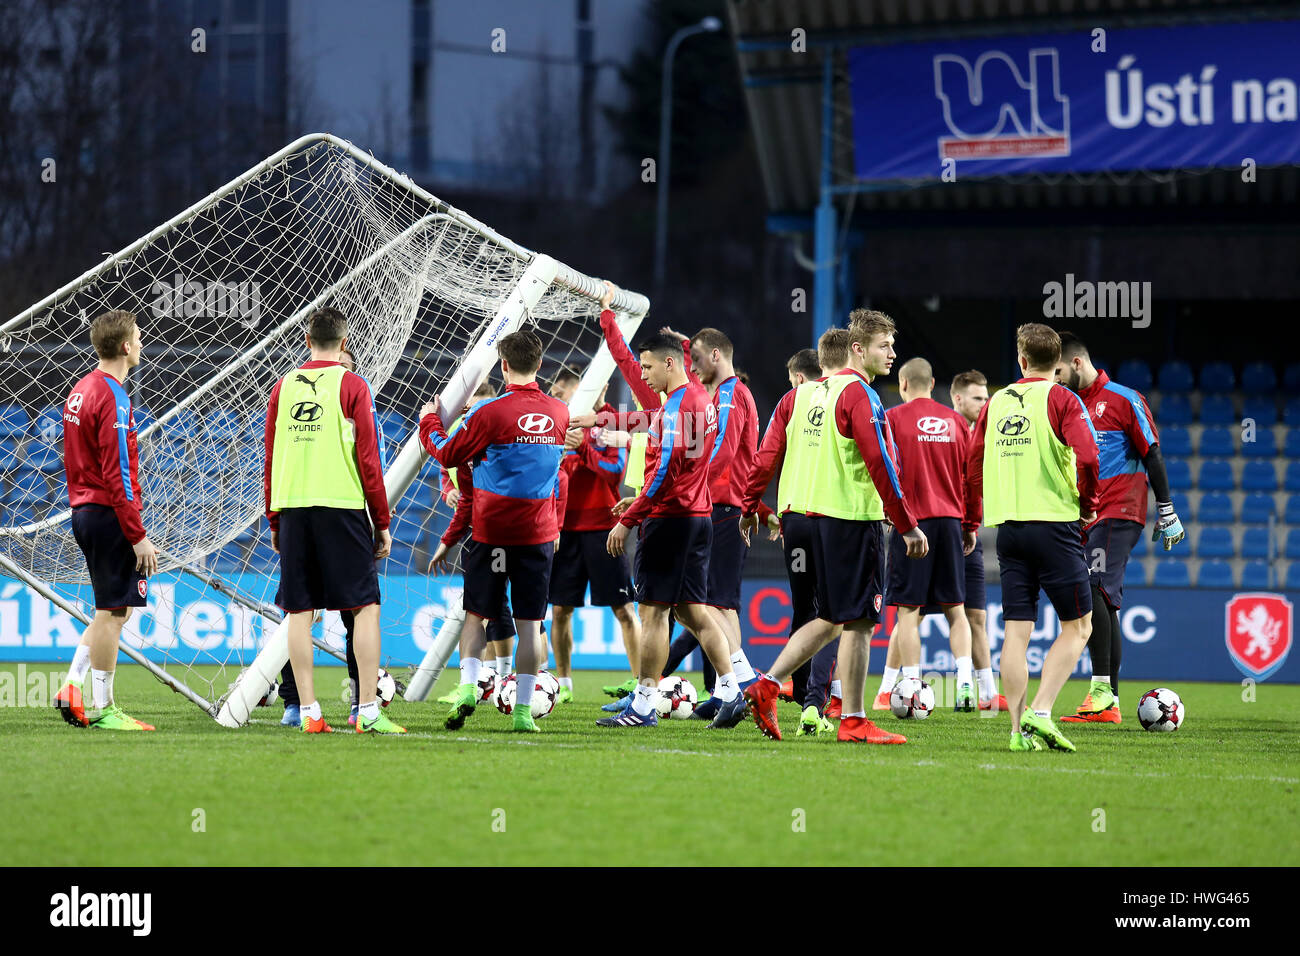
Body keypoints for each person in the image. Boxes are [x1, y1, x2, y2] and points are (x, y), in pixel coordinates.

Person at [742, 311, 928, 743]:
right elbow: (880, 461)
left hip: (801, 518)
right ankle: (855, 720)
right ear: (858, 349)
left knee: (828, 618)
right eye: (885, 346)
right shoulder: (860, 394)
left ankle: (767, 685)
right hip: (848, 519)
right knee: (860, 620)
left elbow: (766, 454)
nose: (892, 354)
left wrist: (751, 503)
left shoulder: (799, 396)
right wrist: (906, 524)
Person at [592, 282, 746, 729]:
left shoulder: (678, 407)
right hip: (697, 515)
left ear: (671, 363)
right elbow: (677, 467)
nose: (644, 376)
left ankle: (643, 704)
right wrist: (609, 321)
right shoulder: (701, 398)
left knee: (654, 612)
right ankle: (735, 689)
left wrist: (632, 518)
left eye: (649, 368)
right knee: (692, 611)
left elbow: (663, 472)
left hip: (672, 518)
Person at [420, 328, 569, 733]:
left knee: (476, 616)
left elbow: (448, 453)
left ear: (503, 365)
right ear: (539, 365)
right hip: (537, 536)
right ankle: (522, 713)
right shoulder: (560, 412)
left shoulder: (489, 413)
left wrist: (430, 421)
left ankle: (469, 688)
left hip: (491, 534)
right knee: (529, 627)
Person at [265, 308, 402, 734]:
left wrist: (274, 519)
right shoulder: (353, 384)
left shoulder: (282, 386)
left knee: (299, 611)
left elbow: (269, 457)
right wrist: (381, 520)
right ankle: (367, 712)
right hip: (341, 506)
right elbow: (369, 458)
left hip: (293, 509)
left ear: (307, 341)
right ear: (344, 344)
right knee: (364, 607)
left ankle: (308, 712)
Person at [964, 323, 1099, 752]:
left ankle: (1017, 732)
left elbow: (972, 463)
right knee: (1079, 626)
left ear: (1021, 361)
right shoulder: (1062, 398)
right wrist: (1088, 502)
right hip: (1055, 526)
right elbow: (1091, 456)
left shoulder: (997, 402)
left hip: (1008, 531)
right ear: (1057, 364)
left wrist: (973, 516)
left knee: (1017, 631)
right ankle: (1041, 712)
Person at [1054, 332, 1183, 724]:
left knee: (1093, 587)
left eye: (1058, 371)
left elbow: (1152, 452)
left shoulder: (1124, 399)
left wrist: (1167, 510)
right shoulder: (1067, 404)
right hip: (1085, 515)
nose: (1054, 379)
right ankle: (1106, 699)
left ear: (1077, 362)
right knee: (1101, 597)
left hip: (1119, 509)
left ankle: (1103, 695)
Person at [54, 310, 159, 731]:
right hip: (108, 513)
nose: (142, 339)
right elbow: (117, 473)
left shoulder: (81, 388)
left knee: (113, 612)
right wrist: (137, 535)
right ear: (126, 347)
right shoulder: (113, 395)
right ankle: (104, 709)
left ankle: (72, 686)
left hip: (84, 509)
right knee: (114, 614)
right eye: (138, 335)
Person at [652, 325, 762, 722]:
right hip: (726, 507)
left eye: (695, 360)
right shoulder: (728, 392)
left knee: (705, 604)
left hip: (719, 506)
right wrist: (685, 341)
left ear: (716, 356)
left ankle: (746, 683)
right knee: (721, 606)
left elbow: (723, 450)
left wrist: (685, 482)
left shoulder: (731, 394)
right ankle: (727, 690)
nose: (691, 369)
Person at [877, 357, 977, 710]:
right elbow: (971, 478)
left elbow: (884, 471)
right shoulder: (956, 421)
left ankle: (914, 686)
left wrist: (890, 514)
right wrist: (970, 525)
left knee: (908, 613)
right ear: (933, 383)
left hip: (912, 526)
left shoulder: (891, 419)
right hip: (950, 522)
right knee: (956, 610)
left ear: (903, 384)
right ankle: (966, 683)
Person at [278, 344, 361, 727]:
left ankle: (360, 701)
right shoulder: (292, 390)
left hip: (341, 513)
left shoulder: (354, 398)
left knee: (353, 615)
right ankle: (295, 703)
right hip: (308, 511)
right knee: (300, 610)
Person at [545, 370, 640, 703]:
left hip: (604, 527)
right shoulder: (559, 425)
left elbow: (615, 472)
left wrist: (584, 446)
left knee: (624, 609)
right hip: (564, 531)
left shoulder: (614, 424)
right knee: (560, 610)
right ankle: (564, 684)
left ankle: (640, 685)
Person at [947, 370, 1007, 712]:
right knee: (915, 615)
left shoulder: (982, 435)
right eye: (977, 398)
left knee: (977, 617)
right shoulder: (946, 432)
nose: (984, 405)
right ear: (958, 398)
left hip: (970, 532)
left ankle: (987, 692)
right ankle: (890, 686)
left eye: (987, 398)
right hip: (943, 531)